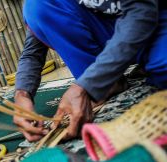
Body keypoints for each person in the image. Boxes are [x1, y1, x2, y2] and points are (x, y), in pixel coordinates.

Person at [14, 0, 167, 142]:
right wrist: (22, 94)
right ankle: (107, 82)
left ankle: (103, 76)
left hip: (154, 15)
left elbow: (141, 12)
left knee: (162, 69)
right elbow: (32, 52)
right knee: (37, 5)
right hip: (113, 25)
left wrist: (87, 85)